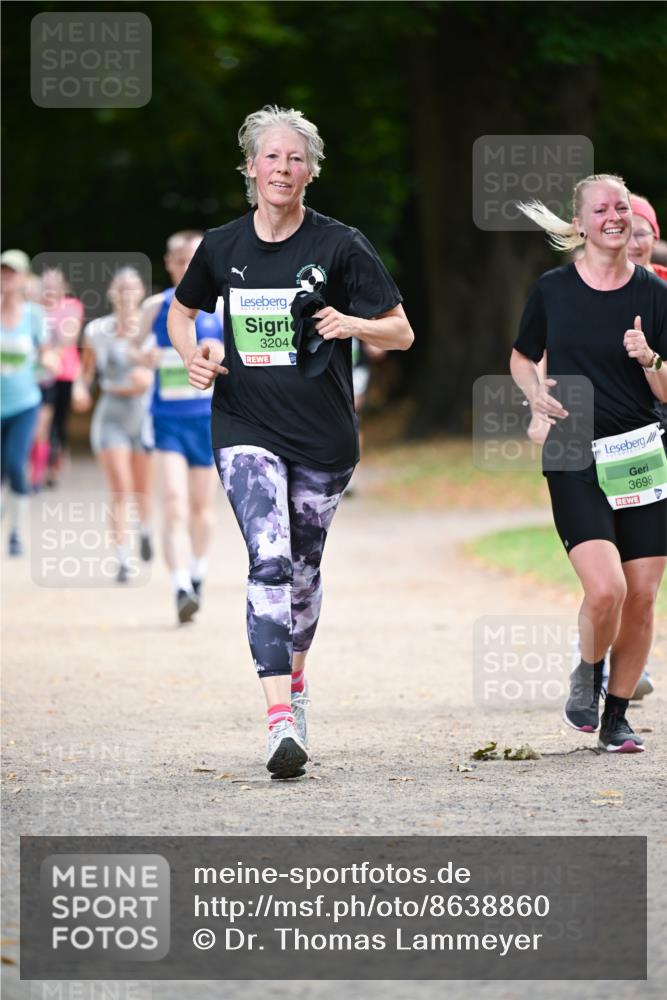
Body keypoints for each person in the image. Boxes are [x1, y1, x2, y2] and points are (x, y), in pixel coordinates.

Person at [167, 105, 414, 778]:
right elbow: (182, 311)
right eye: (271, 157)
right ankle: (278, 721)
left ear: (310, 171)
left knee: (302, 573)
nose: (282, 168)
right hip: (244, 424)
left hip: (324, 435)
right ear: (250, 167)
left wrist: (349, 323)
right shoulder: (221, 247)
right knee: (268, 558)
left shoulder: (340, 246)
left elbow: (401, 332)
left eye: (295, 158)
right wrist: (193, 356)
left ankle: (296, 687)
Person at [510, 173, 667, 754]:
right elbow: (522, 356)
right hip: (573, 450)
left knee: (644, 594)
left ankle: (617, 717)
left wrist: (649, 356)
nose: (614, 216)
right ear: (579, 223)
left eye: (622, 207)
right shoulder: (553, 289)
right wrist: (534, 395)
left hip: (641, 454)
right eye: (601, 209)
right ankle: (588, 669)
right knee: (607, 590)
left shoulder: (653, 293)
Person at [139, 232, 224, 623]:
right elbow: (133, 352)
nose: (184, 264)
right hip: (166, 421)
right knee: (172, 502)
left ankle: (198, 573)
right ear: (168, 262)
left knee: (201, 507)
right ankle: (179, 587)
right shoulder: (155, 307)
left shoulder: (220, 308)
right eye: (177, 258)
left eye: (192, 257)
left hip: (206, 421)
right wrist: (147, 356)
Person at [73, 267, 155, 583]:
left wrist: (147, 379)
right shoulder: (96, 331)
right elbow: (86, 373)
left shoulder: (149, 332)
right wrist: (80, 390)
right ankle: (122, 559)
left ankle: (145, 529)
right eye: (120, 288)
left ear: (141, 294)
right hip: (110, 417)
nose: (125, 294)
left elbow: (160, 372)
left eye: (131, 288)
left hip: (143, 417)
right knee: (120, 487)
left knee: (142, 489)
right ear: (111, 293)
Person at [1, 249, 53, 555]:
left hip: (24, 404)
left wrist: (49, 359)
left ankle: (17, 532)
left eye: (12, 272)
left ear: (22, 278)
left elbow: (44, 349)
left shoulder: (34, 315)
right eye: (2, 271)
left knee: (14, 464)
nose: (6, 277)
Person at [30, 268, 84, 490]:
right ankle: (39, 470)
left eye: (54, 284)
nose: (50, 288)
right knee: (41, 423)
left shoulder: (72, 306)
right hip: (38, 374)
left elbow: (68, 339)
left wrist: (52, 357)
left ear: (63, 287)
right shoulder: (34, 309)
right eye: (46, 284)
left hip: (64, 372)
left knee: (57, 423)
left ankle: (56, 459)